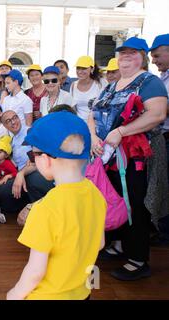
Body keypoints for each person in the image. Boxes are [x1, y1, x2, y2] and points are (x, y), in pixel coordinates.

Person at [89, 37, 168, 281]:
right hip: (107, 156)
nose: (125, 56)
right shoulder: (112, 85)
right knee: (114, 200)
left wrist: (121, 131)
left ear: (143, 56)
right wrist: (93, 136)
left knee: (135, 203)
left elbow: (157, 114)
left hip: (136, 156)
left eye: (132, 53)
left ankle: (138, 259)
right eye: (122, 52)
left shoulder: (150, 82)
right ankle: (121, 245)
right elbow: (93, 113)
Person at [7, 111, 106, 300]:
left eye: (32, 153)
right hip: (81, 293)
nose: (33, 158)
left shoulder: (45, 209)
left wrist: (15, 294)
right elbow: (100, 243)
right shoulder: (95, 194)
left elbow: (35, 272)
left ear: (45, 159)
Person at [0, 110, 54, 215]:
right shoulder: (11, 141)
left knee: (32, 180)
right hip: (23, 175)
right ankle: (23, 207)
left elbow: (41, 159)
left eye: (15, 118)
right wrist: (10, 175)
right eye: (8, 121)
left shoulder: (31, 131)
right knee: (3, 189)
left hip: (38, 172)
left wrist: (21, 173)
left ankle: (40, 212)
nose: (13, 122)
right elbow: (14, 165)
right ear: (5, 126)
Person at [150, 33, 169, 244]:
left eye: (156, 55)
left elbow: (161, 109)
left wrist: (151, 106)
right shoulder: (162, 77)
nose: (154, 61)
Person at [70, 55, 105, 122]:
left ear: (92, 69)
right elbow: (73, 109)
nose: (80, 71)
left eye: (84, 68)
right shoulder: (73, 85)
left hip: (96, 126)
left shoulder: (100, 84)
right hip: (79, 125)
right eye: (78, 68)